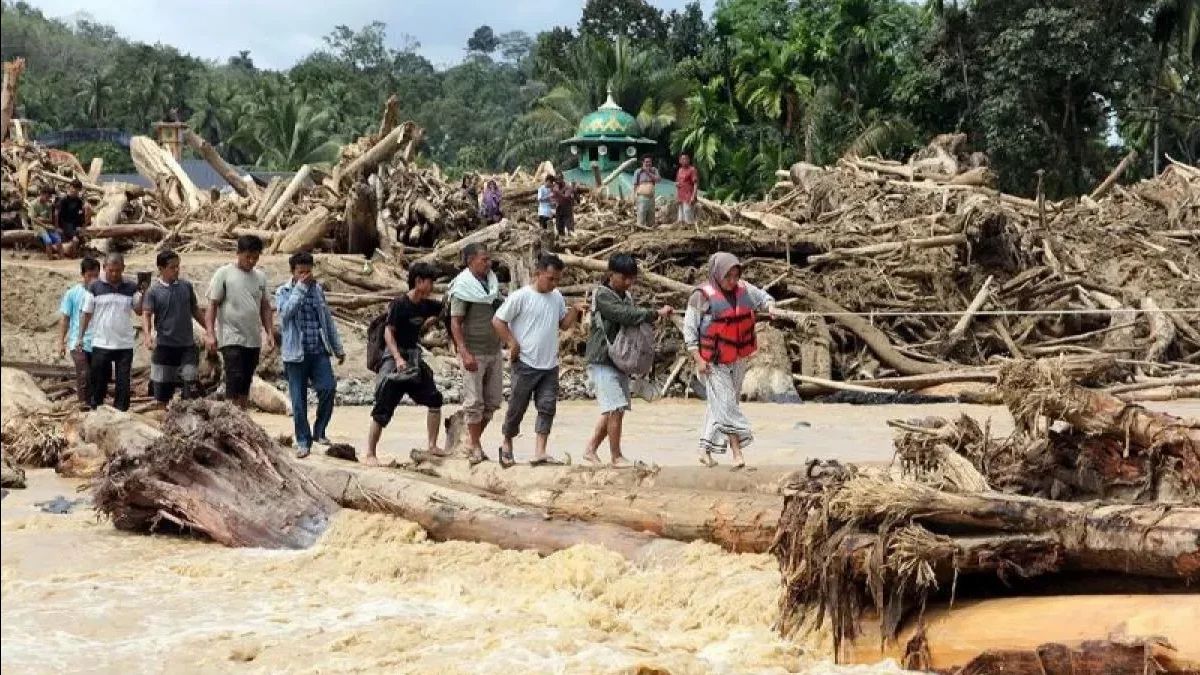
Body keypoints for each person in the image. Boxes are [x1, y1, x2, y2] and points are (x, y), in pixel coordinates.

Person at [492, 253, 587, 468]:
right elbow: (498, 320)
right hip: (525, 362)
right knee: (517, 406)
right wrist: (511, 343)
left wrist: (574, 311)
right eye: (551, 278)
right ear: (538, 274)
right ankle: (506, 443)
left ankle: (540, 451)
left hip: (549, 364)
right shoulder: (521, 296)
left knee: (547, 407)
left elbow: (563, 325)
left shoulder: (557, 297)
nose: (554, 284)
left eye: (557, 280)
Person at [683, 252, 775, 468]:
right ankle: (737, 453)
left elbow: (763, 298)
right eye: (728, 277)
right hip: (712, 362)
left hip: (737, 359)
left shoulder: (743, 289)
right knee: (726, 405)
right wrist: (698, 359)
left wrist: (770, 307)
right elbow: (689, 331)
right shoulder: (701, 296)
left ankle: (704, 449)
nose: (732, 281)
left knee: (723, 405)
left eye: (735, 276)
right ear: (717, 274)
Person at [581, 254, 672, 466]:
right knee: (615, 408)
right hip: (602, 358)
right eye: (625, 278)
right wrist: (655, 313)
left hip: (619, 360)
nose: (629, 282)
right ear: (611, 274)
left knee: (615, 408)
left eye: (632, 278)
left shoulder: (625, 296)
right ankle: (616, 456)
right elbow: (624, 315)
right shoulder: (603, 296)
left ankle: (590, 449)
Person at [365, 262, 445, 466]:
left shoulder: (427, 304)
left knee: (435, 399)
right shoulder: (400, 304)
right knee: (383, 406)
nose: (433, 286)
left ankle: (432, 444)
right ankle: (370, 453)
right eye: (430, 282)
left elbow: (445, 308)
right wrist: (398, 359)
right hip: (396, 358)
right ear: (418, 282)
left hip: (414, 358)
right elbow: (388, 332)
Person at [276, 252, 345, 459]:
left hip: (318, 351)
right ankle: (303, 441)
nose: (305, 276)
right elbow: (286, 314)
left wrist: (338, 348)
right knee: (298, 402)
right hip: (295, 354)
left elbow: (327, 321)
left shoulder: (318, 291)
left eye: (308, 271)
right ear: (293, 272)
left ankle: (319, 431)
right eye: (301, 272)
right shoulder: (284, 291)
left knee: (328, 389)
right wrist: (300, 289)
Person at [448, 243, 503, 464]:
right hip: (474, 351)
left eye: (489, 259)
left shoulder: (491, 284)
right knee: (473, 402)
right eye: (483, 259)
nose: (488, 263)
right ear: (470, 261)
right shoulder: (463, 287)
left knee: (492, 401)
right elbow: (455, 322)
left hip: (493, 349)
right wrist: (464, 351)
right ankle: (475, 446)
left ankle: (472, 441)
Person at [205, 235, 274, 408]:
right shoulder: (224, 273)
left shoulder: (260, 277)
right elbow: (212, 305)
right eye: (247, 257)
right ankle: (230, 416)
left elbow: (265, 307)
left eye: (255, 258)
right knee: (234, 379)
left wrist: (270, 332)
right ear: (238, 253)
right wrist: (210, 334)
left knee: (245, 382)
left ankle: (241, 416)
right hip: (231, 337)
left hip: (253, 339)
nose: (251, 261)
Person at [141, 250, 205, 406]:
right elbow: (146, 314)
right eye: (172, 267)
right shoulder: (153, 291)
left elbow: (195, 310)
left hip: (187, 346)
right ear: (161, 269)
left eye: (178, 266)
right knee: (162, 393)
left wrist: (209, 329)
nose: (176, 270)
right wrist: (147, 336)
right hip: (164, 347)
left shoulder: (186, 287)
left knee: (190, 382)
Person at [79, 253, 142, 411]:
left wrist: (143, 293)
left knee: (123, 383)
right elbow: (86, 314)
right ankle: (96, 410)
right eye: (110, 270)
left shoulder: (131, 288)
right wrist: (80, 337)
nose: (114, 274)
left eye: (118, 271)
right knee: (98, 381)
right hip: (101, 342)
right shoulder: (94, 288)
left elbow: (139, 311)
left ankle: (121, 413)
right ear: (104, 268)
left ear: (123, 269)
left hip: (124, 344)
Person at [58, 257, 100, 408]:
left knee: (97, 375)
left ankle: (95, 404)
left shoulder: (102, 292)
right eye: (90, 275)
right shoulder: (72, 293)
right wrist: (61, 343)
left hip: (98, 341)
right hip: (78, 342)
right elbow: (65, 319)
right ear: (83, 275)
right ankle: (84, 405)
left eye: (96, 275)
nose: (93, 279)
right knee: (84, 374)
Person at [56, 178, 90, 255]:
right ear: (70, 187)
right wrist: (58, 227)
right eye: (74, 188)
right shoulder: (63, 200)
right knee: (75, 240)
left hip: (74, 225)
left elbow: (80, 214)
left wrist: (81, 225)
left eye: (77, 189)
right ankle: (74, 256)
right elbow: (57, 214)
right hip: (66, 224)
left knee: (82, 237)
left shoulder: (78, 201)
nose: (75, 191)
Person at [28, 185, 63, 259]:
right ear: (41, 194)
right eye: (47, 197)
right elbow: (33, 219)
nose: (48, 199)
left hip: (47, 226)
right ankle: (50, 259)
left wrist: (41, 219)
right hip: (38, 227)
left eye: (49, 197)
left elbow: (50, 219)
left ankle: (62, 259)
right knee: (48, 241)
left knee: (58, 240)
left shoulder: (48, 205)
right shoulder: (33, 204)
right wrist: (44, 225)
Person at [633, 157, 660, 227]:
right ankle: (640, 231)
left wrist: (648, 172)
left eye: (650, 162)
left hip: (651, 197)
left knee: (651, 216)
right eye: (646, 162)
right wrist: (634, 196)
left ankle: (650, 232)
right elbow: (635, 185)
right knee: (641, 215)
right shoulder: (638, 171)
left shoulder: (654, 170)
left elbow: (658, 180)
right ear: (643, 162)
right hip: (641, 197)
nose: (648, 163)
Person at [675, 154, 700, 225]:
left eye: (686, 159)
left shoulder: (692, 170)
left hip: (688, 197)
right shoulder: (679, 170)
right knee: (680, 219)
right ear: (680, 161)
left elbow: (695, 184)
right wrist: (677, 196)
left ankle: (691, 233)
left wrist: (693, 196)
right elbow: (677, 183)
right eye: (682, 159)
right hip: (681, 197)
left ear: (689, 160)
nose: (684, 160)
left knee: (688, 217)